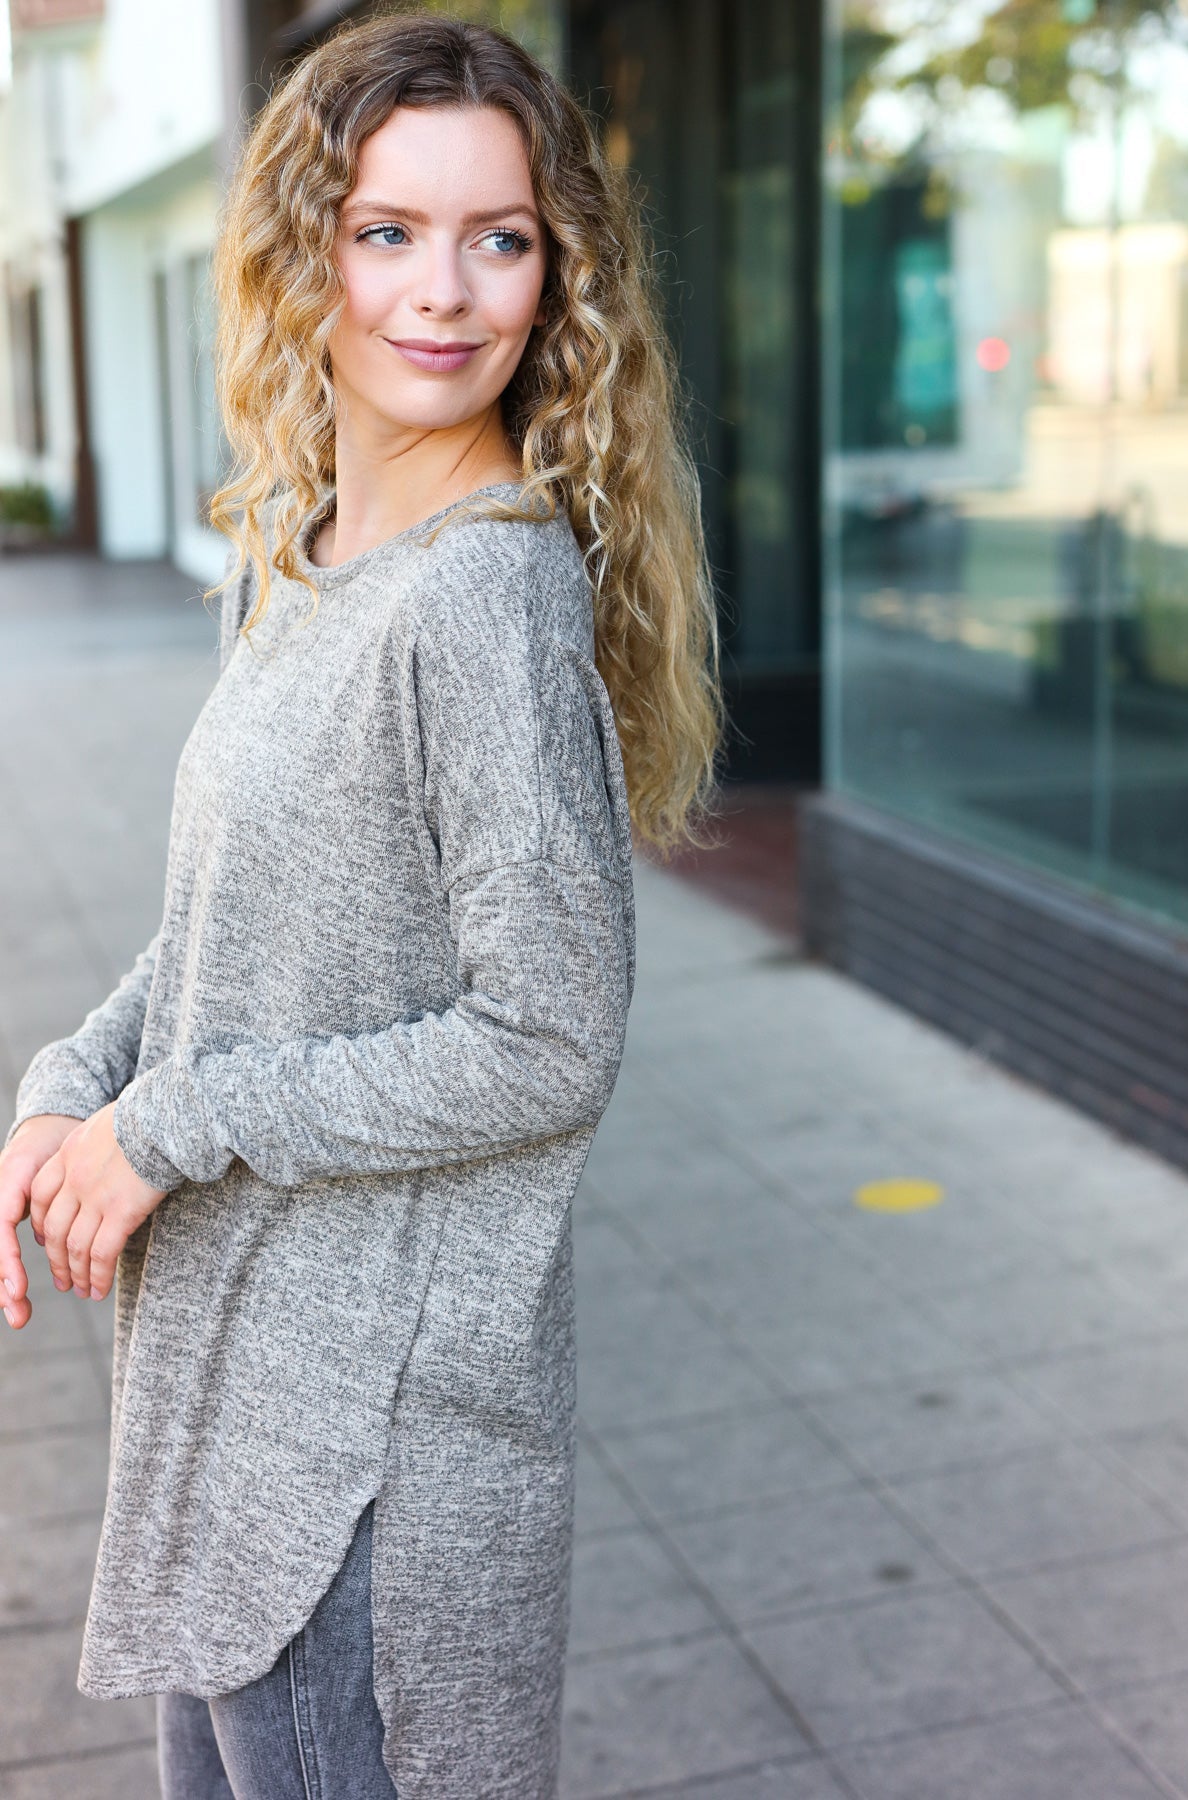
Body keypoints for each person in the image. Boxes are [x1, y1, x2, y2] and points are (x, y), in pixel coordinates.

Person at [0, 11, 725, 1797]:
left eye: (503, 237)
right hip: (250, 1412)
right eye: (389, 230)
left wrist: (178, 1118)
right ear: (304, 248)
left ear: (556, 279)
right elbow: (233, 923)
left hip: (374, 1460)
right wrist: (70, 1088)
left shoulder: (480, 604)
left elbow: (547, 1038)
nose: (447, 291)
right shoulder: (309, 553)